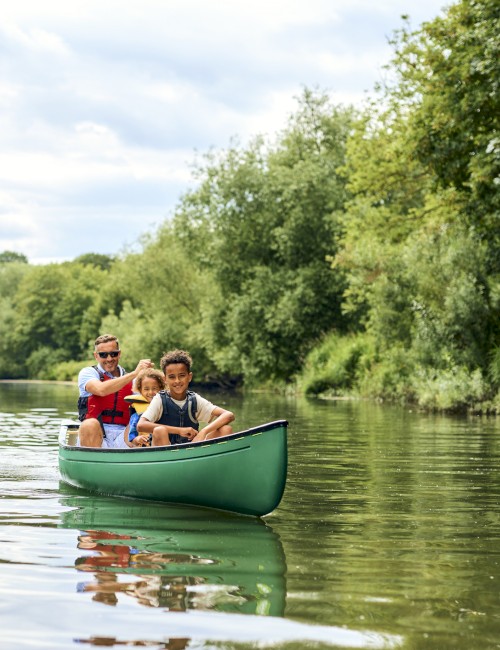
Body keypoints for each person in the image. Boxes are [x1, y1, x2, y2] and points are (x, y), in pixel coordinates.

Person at [137, 349, 234, 446]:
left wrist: (203, 432)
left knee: (226, 429)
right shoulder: (159, 399)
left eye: (182, 376)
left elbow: (228, 415)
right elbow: (141, 425)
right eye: (172, 377)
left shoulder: (195, 399)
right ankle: (170, 459)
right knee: (159, 430)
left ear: (189, 377)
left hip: (190, 449)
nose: (177, 381)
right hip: (165, 450)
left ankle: (209, 459)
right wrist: (179, 431)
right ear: (165, 379)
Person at [77, 334, 153, 448]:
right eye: (103, 355)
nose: (109, 359)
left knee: (143, 423)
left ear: (119, 354)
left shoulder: (135, 380)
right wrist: (134, 373)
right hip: (96, 436)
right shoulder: (87, 373)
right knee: (89, 424)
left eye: (114, 354)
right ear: (96, 356)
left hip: (125, 436)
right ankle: (93, 462)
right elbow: (100, 390)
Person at [124, 368, 166, 447]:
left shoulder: (167, 407)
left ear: (161, 388)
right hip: (145, 448)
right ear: (140, 390)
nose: (150, 392)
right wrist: (138, 439)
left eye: (154, 388)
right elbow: (132, 438)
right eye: (146, 389)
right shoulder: (136, 414)